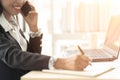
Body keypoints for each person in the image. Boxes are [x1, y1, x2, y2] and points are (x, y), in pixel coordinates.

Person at [0, 0, 91, 80]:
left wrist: (33, 28)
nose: (20, 1)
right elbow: (13, 56)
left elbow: (29, 61)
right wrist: (61, 62)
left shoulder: (12, 23)